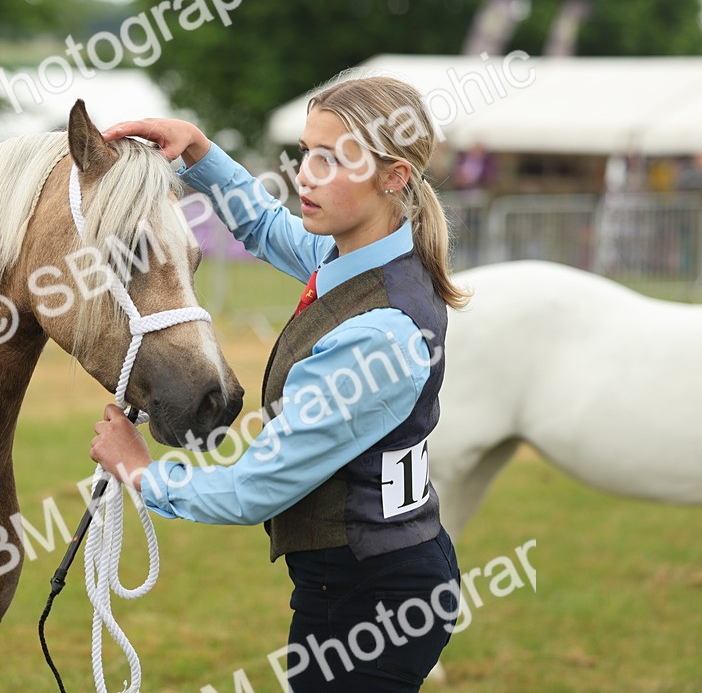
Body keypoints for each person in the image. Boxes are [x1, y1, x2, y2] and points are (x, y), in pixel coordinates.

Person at [89, 74, 468, 692]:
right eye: (306, 154)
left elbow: (255, 488)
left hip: (370, 599)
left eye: (332, 159)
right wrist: (198, 152)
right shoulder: (356, 259)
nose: (307, 175)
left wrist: (141, 473)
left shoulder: (379, 331)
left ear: (394, 176)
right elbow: (265, 226)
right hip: (365, 581)